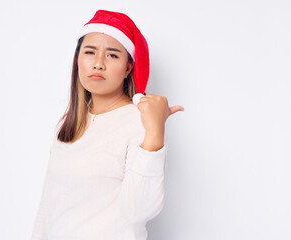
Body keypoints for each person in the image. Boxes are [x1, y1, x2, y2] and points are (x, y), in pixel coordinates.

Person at [30, 9, 184, 240]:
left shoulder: (139, 122)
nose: (98, 64)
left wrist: (154, 132)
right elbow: (48, 206)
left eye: (112, 55)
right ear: (78, 59)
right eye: (90, 52)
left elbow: (139, 211)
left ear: (128, 67)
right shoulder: (67, 123)